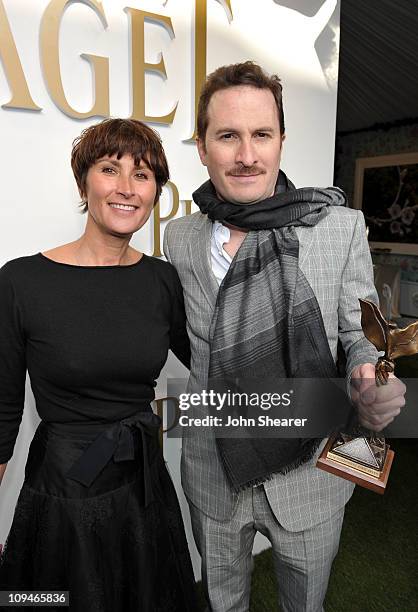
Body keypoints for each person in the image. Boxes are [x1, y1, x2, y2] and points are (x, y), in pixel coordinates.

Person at [163, 62, 406, 612]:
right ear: (202, 146)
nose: (246, 154)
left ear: (281, 142)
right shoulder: (179, 237)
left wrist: (370, 374)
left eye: (261, 135)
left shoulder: (340, 227)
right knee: (222, 603)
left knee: (305, 604)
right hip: (214, 470)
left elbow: (358, 330)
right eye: (227, 136)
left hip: (310, 471)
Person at [0, 118, 196, 611]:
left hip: (143, 488)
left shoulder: (162, 280)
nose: (127, 188)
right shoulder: (21, 282)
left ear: (155, 192)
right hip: (65, 492)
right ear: (84, 182)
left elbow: (213, 361)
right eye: (111, 169)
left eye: (144, 174)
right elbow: (2, 410)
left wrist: (325, 401)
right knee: (52, 600)